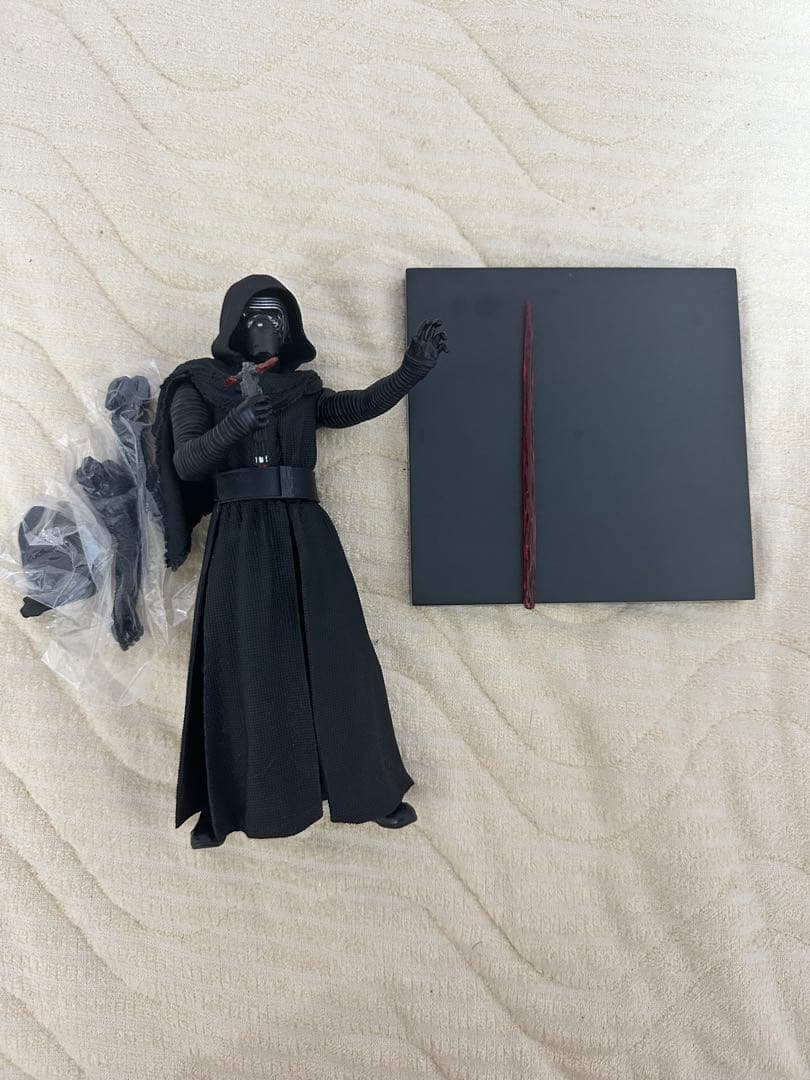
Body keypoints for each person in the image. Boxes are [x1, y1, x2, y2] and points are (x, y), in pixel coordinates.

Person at [152, 274, 448, 847]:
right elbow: (187, 462)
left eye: (277, 317)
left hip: (305, 529)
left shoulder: (300, 389)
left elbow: (354, 405)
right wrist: (239, 420)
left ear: (291, 329)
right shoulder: (199, 384)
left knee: (341, 658)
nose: (267, 326)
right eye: (255, 316)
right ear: (234, 325)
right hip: (239, 533)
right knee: (242, 665)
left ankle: (370, 791)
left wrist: (411, 370)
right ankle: (225, 807)